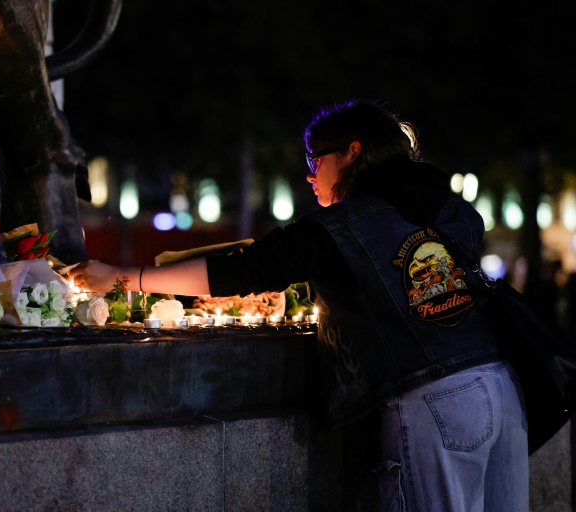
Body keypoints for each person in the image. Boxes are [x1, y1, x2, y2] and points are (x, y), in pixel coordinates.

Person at [69, 101, 528, 511]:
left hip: (435, 399)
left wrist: (125, 277)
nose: (310, 174)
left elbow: (242, 272)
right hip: (501, 385)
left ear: (352, 152)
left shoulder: (341, 225)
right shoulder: (442, 208)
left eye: (315, 159)